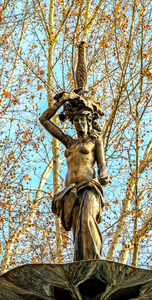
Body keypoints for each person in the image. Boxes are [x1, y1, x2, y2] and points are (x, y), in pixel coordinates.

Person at [39, 91, 109, 260]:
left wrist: (103, 176)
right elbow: (44, 120)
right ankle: (80, 262)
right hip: (70, 192)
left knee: (87, 221)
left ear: (89, 121)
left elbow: (102, 167)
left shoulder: (94, 141)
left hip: (89, 188)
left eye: (82, 120)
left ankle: (94, 260)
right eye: (76, 121)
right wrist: (60, 102)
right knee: (78, 229)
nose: (79, 124)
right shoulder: (69, 142)